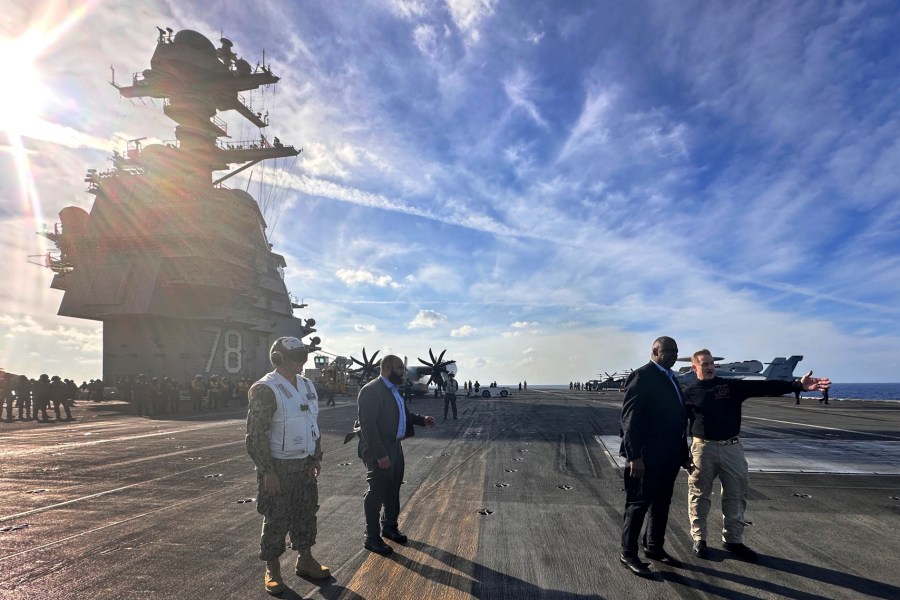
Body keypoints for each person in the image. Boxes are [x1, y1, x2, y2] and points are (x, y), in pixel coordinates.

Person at [683, 349, 831, 562]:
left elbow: (763, 387)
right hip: (702, 449)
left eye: (711, 364)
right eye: (704, 364)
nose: (709, 367)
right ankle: (699, 539)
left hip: (732, 448)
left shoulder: (730, 386)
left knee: (736, 494)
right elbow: (679, 423)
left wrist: (797, 385)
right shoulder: (689, 392)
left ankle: (733, 540)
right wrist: (681, 452)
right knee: (698, 495)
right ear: (694, 367)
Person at [246, 337, 330, 594]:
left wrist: (316, 455)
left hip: (304, 465)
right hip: (278, 467)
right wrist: (267, 471)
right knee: (276, 519)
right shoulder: (266, 389)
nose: (302, 361)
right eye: (297, 356)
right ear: (279, 358)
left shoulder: (307, 385)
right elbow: (256, 434)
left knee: (306, 514)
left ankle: (305, 560)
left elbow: (311, 423)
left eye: (304, 355)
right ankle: (272, 568)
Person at [619, 336, 688, 577]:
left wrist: (683, 455)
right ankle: (628, 554)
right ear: (655, 351)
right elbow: (630, 419)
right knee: (637, 505)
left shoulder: (671, 378)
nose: (674, 355)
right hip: (646, 457)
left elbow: (678, 420)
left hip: (668, 456)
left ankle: (654, 547)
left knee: (662, 504)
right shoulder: (643, 376)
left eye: (676, 351)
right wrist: (634, 456)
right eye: (669, 351)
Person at [357, 355, 435, 555]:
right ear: (387, 368)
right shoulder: (371, 390)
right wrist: (380, 454)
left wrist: (421, 419)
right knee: (376, 492)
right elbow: (368, 425)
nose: (403, 371)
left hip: (395, 446)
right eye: (399, 368)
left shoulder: (394, 390)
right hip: (379, 448)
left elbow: (403, 414)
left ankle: (389, 527)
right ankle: (371, 537)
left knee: (393, 489)